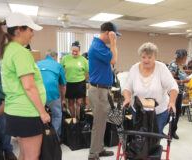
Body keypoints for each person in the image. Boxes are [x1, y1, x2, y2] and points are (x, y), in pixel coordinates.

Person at [0, 13, 50, 160]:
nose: (33, 34)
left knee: (24, 154)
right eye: (30, 30)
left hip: (16, 112)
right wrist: (42, 112)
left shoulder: (8, 50)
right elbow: (29, 86)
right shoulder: (20, 53)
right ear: (19, 29)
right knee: (32, 156)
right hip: (27, 112)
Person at [123, 42, 178, 134]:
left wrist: (172, 102)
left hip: (158, 112)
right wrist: (127, 98)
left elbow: (172, 86)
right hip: (137, 111)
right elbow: (127, 86)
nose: (146, 60)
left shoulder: (161, 68)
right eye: (143, 57)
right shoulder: (134, 68)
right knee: (138, 138)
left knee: (154, 139)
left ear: (155, 57)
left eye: (149, 57)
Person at [87, 22, 120, 160]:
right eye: (113, 35)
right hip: (99, 90)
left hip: (103, 90)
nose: (115, 38)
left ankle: (99, 149)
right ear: (107, 33)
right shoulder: (97, 46)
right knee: (99, 124)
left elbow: (111, 63)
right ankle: (93, 154)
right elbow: (114, 59)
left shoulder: (101, 46)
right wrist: (113, 42)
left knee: (102, 123)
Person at [36, 50, 67, 137]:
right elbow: (63, 86)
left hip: (38, 95)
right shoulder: (58, 65)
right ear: (55, 57)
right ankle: (55, 138)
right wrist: (63, 99)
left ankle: (40, 138)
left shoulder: (37, 64)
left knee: (38, 116)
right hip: (52, 94)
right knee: (57, 115)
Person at [61, 41, 89, 119]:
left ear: (79, 50)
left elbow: (88, 71)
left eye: (76, 51)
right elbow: (61, 69)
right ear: (71, 50)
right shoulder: (65, 58)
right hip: (69, 83)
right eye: (73, 51)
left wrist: (89, 82)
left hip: (80, 83)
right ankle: (73, 118)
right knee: (71, 103)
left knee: (79, 102)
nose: (75, 53)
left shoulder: (83, 59)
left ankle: (79, 118)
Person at [167, 49, 190, 139]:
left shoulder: (180, 65)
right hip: (174, 93)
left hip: (180, 92)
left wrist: (186, 85)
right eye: (185, 57)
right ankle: (170, 132)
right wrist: (183, 81)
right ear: (183, 57)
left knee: (177, 113)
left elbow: (179, 77)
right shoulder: (173, 65)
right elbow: (171, 80)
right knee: (172, 113)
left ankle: (173, 130)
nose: (186, 58)